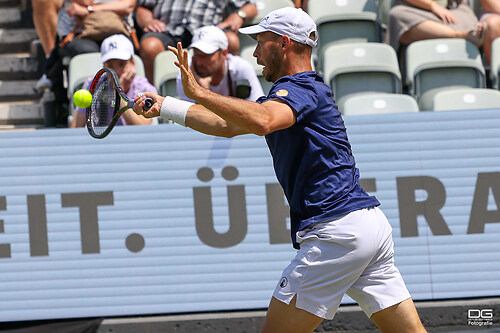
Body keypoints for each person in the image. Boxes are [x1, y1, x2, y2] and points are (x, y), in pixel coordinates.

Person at [133, 7, 428, 333]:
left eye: (262, 42)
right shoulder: (296, 95)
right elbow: (225, 124)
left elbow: (263, 121)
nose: (256, 52)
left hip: (336, 234)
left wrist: (200, 91)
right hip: (369, 227)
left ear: (284, 43)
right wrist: (166, 105)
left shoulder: (298, 89)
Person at [135, 0, 258, 83]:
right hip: (166, 29)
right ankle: (152, 97)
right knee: (149, 46)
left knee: (231, 40)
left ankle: (227, 97)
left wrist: (239, 15)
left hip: (208, 32)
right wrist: (148, 21)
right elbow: (144, 8)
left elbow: (251, 6)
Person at [70, 34, 155, 127]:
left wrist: (119, 94)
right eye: (110, 65)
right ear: (104, 66)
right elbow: (76, 128)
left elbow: (143, 128)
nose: (116, 71)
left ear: (132, 63)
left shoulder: (145, 88)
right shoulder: (92, 85)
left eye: (122, 64)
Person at [176, 25, 264, 103]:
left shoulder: (241, 68)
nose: (199, 62)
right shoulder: (185, 74)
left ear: (224, 54)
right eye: (196, 54)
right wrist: (201, 90)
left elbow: (257, 112)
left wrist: (204, 94)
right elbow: (189, 118)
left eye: (206, 56)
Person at [386, 0, 487, 53]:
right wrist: (432, 6)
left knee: (467, 16)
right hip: (416, 13)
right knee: (397, 16)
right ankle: (458, 35)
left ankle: (445, 32)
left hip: (449, 13)